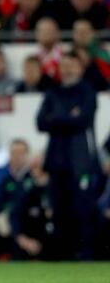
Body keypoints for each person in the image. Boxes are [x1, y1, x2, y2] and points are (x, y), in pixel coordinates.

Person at [36, 50, 100, 260]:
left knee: (82, 209)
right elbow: (40, 122)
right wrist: (68, 116)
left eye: (71, 64)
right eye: (64, 65)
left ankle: (86, 254)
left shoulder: (87, 91)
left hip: (80, 161)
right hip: (56, 161)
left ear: (80, 68)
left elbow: (83, 120)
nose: (67, 69)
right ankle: (61, 255)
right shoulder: (52, 92)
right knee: (59, 210)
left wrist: (56, 118)